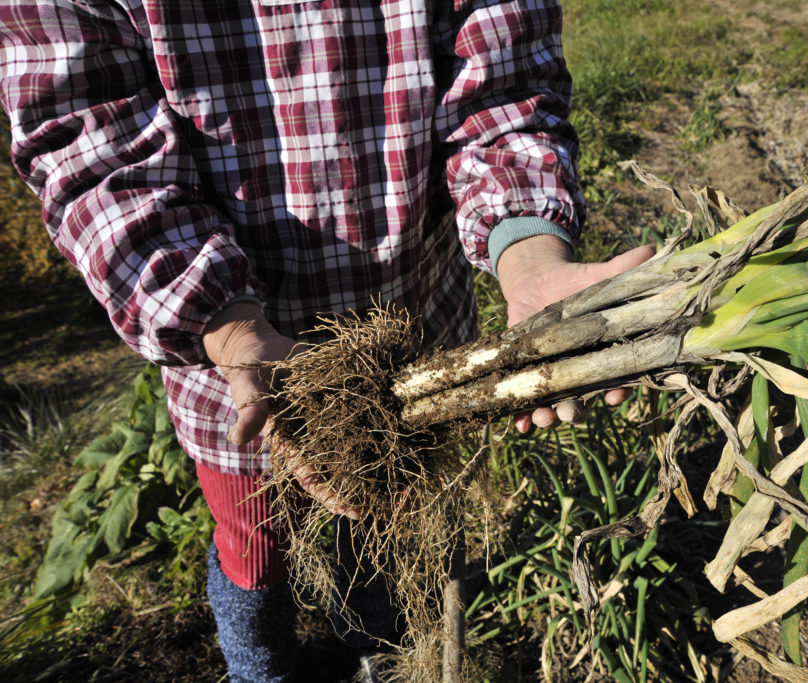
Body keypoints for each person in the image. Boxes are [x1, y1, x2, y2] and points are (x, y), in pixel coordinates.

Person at [0, 1, 651, 679]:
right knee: (254, 543)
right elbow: (92, 155)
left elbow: (504, 90)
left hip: (417, 344)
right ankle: (261, 662)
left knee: (388, 526)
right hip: (235, 378)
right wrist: (230, 326)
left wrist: (530, 257)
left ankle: (381, 647)